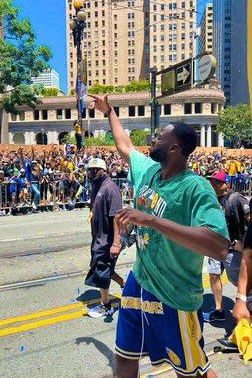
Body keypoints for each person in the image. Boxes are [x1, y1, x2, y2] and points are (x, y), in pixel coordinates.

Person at [89, 93, 230, 378]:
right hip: (138, 283)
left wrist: (152, 221)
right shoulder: (150, 172)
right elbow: (124, 145)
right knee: (125, 357)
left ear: (175, 148)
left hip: (175, 296)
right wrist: (109, 112)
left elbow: (218, 246)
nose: (152, 141)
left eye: (159, 138)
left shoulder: (195, 188)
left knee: (191, 371)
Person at [204, 171, 250, 323]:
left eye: (217, 182)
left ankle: (243, 320)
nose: (213, 184)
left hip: (233, 250)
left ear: (227, 184)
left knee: (242, 285)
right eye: (212, 181)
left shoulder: (235, 198)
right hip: (215, 247)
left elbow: (250, 220)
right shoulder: (211, 200)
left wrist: (244, 242)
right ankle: (219, 310)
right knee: (213, 274)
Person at [85, 157, 125, 319]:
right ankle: (125, 284)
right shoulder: (97, 186)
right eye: (90, 170)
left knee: (101, 271)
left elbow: (116, 217)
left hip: (107, 240)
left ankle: (106, 306)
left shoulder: (110, 188)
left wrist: (116, 243)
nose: (92, 173)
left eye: (96, 170)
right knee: (105, 269)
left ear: (104, 170)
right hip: (98, 238)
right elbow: (94, 205)